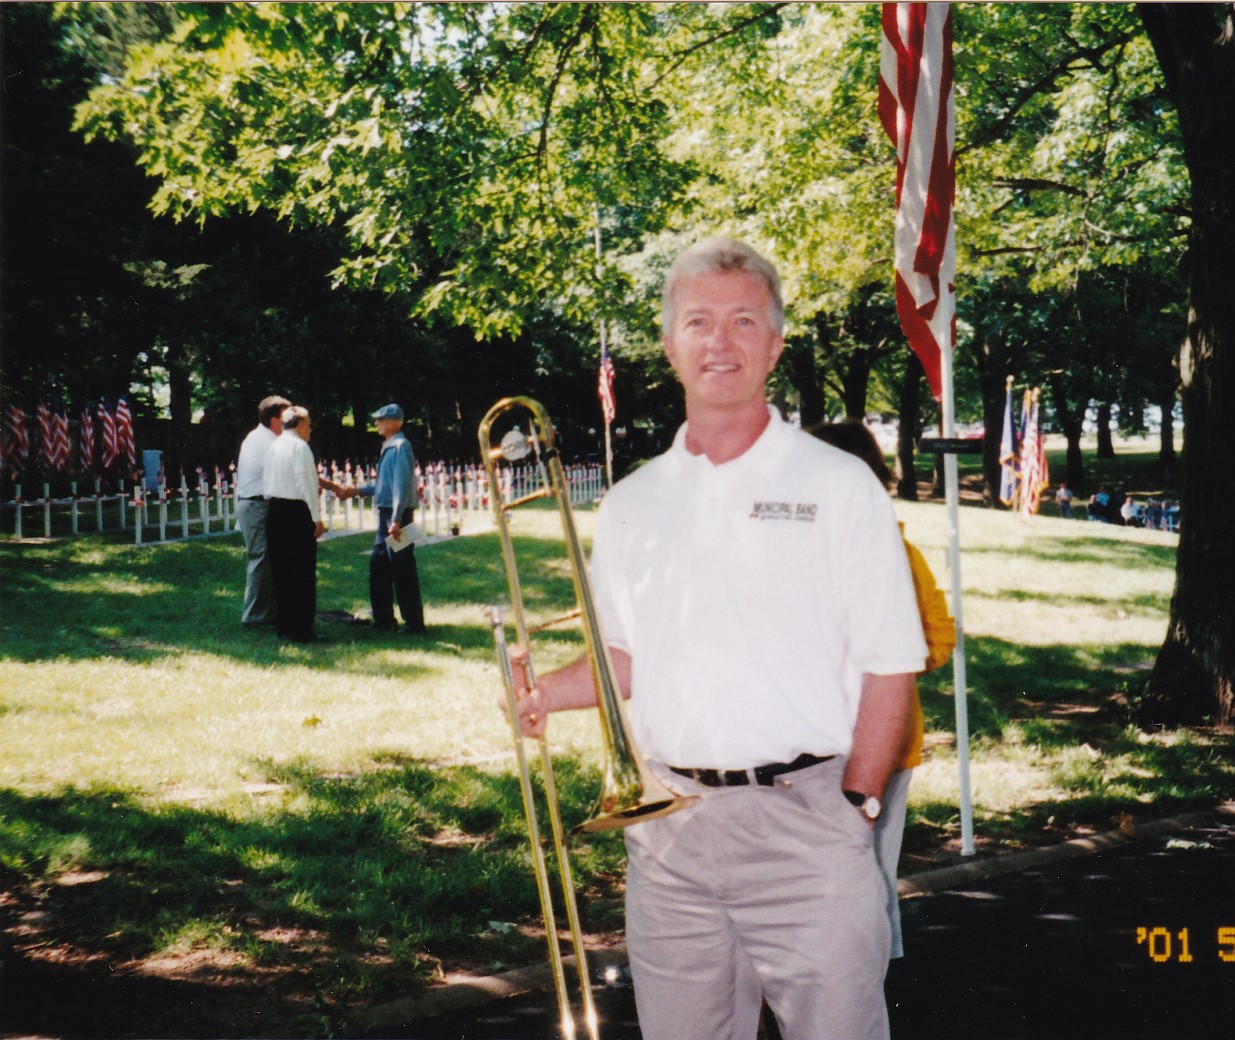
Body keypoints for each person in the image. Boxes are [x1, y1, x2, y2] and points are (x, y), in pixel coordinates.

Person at [506, 238, 927, 1040]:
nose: (720, 341)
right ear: (669, 345)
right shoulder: (632, 502)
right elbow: (624, 654)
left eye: (742, 321)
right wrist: (545, 692)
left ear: (774, 344)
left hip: (810, 825)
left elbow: (890, 666)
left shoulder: (839, 487)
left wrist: (857, 811)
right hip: (670, 835)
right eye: (698, 322)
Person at [807, 420, 956, 961]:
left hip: (886, 743)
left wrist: (890, 670)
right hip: (812, 746)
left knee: (869, 866)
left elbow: (941, 635)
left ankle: (874, 977)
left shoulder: (899, 553)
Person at [347, 404, 425, 634]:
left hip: (397, 516)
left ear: (393, 422)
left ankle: (414, 623)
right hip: (387, 515)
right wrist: (358, 491)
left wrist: (397, 519)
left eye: (380, 419)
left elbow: (401, 485)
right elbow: (384, 486)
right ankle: (383, 619)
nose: (376, 423)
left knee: (403, 568)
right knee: (379, 567)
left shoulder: (401, 446)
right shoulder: (389, 447)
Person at [265, 406, 327, 643]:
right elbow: (307, 485)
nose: (310, 428)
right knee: (302, 572)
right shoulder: (300, 447)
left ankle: (285, 626)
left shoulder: (274, 445)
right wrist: (316, 518)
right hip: (295, 512)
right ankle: (302, 630)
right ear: (300, 424)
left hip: (275, 511)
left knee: (282, 571)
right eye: (309, 424)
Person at [235, 394, 290, 627]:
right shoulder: (268, 442)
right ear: (275, 420)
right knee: (261, 558)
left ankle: (270, 610)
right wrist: (335, 487)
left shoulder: (261, 437)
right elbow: (293, 471)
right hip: (256, 505)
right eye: (287, 417)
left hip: (259, 503)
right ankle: (255, 615)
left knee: (269, 559)